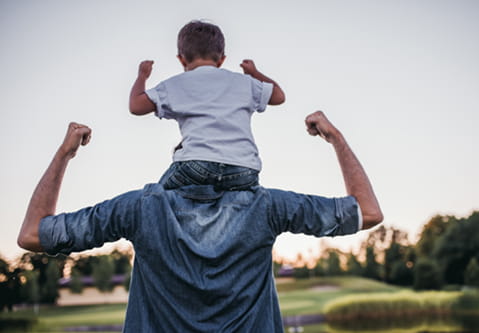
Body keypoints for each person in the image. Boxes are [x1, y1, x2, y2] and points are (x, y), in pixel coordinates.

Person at [18, 111, 383, 332]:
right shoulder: (267, 206)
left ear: (178, 158)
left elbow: (33, 234)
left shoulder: (140, 208)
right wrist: (335, 137)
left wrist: (65, 153)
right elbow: (367, 212)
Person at [129, 20, 286, 191]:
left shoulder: (175, 85)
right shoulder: (244, 82)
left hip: (196, 166)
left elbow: (136, 106)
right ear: (222, 60)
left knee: (156, 197)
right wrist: (254, 73)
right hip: (244, 170)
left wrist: (142, 76)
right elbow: (278, 96)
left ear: (181, 59)